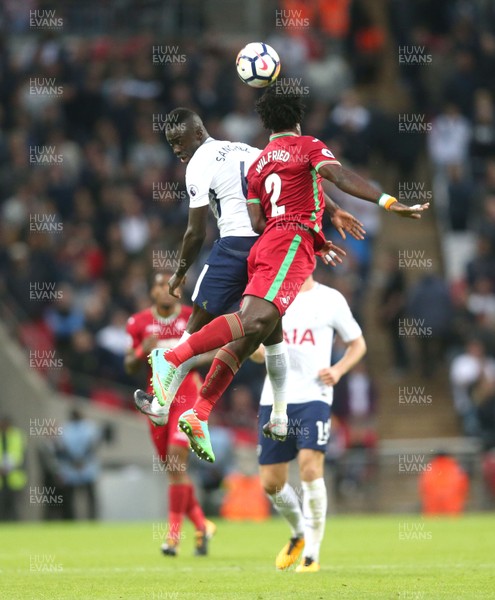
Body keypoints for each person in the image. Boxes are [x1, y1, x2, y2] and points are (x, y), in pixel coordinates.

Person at [149, 87, 429, 463]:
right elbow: (339, 176)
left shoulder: (262, 159)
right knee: (254, 323)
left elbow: (254, 215)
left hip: (263, 243)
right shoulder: (294, 148)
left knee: (263, 336)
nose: (177, 149)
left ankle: (210, 412)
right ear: (298, 118)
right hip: (283, 245)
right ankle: (173, 361)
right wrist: (387, 203)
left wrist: (312, 228)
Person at [135, 107, 365, 431]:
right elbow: (300, 180)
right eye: (171, 143)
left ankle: (162, 402)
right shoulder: (252, 150)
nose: (176, 149)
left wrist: (179, 272)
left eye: (179, 140)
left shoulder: (200, 162)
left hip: (234, 248)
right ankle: (279, 417)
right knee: (272, 336)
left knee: (194, 329)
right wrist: (336, 210)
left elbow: (195, 232)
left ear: (198, 133)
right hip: (270, 249)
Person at [251, 275, 366, 573]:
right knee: (271, 482)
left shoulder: (330, 299)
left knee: (310, 467)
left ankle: (312, 555)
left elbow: (358, 343)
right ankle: (299, 532)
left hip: (314, 395)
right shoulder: (270, 296)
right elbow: (257, 350)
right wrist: (254, 348)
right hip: (274, 398)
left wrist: (339, 370)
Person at [126, 272, 215, 556]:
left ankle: (173, 538)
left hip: (187, 394)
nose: (165, 290)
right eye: (159, 285)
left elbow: (215, 349)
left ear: (178, 290)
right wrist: (142, 350)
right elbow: (128, 365)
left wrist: (187, 357)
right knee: (175, 472)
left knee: (177, 464)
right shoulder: (138, 322)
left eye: (171, 285)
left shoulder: (192, 316)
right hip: (157, 400)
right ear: (151, 292)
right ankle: (202, 526)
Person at [0, 415, 27, 521]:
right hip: (2, 479)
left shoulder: (18, 435)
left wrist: (9, 466)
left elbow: (22, 457)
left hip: (15, 478)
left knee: (14, 508)